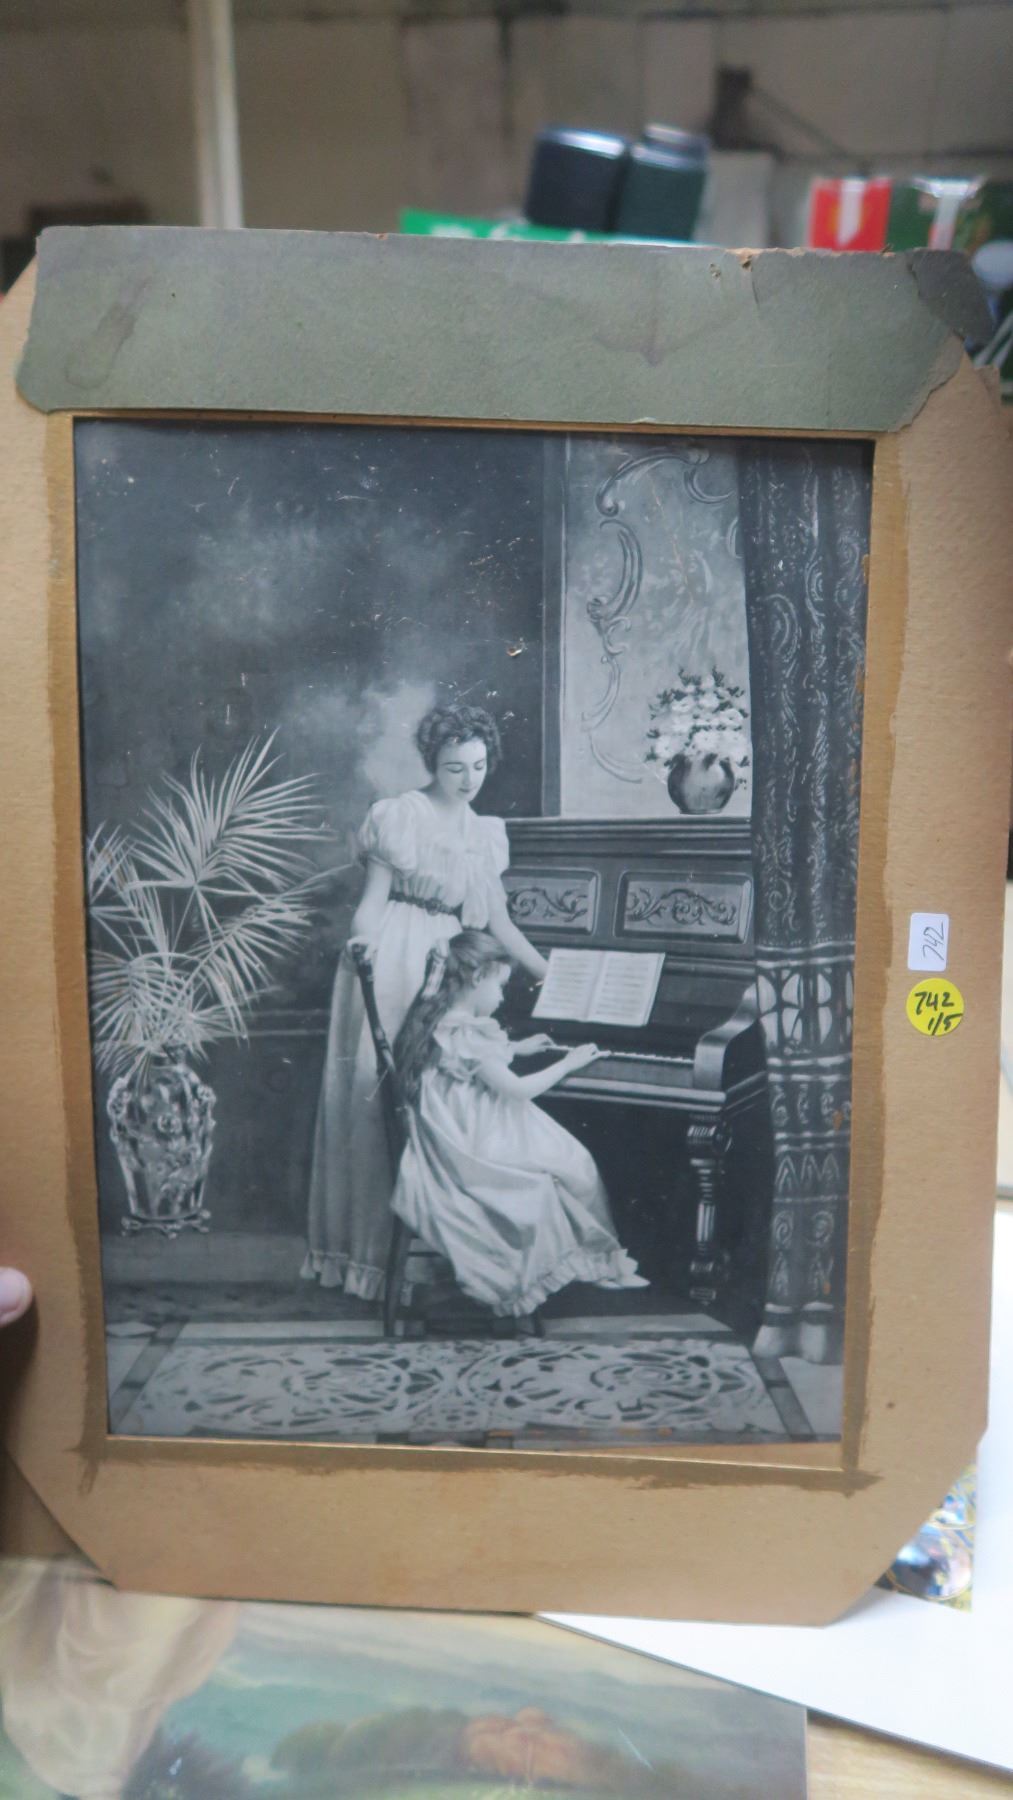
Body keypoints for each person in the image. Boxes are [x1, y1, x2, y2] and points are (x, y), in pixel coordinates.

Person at [303, 703, 548, 1301]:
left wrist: (549, 972)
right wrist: (362, 949)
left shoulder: (485, 834)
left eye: (479, 766)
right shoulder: (401, 816)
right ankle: (376, 1261)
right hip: (395, 957)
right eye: (454, 767)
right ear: (432, 763)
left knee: (444, 1100)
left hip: (452, 965)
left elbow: (499, 923)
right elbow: (373, 902)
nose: (469, 780)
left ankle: (450, 1253)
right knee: (382, 1095)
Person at [391, 931, 647, 1319]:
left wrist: (515, 1048)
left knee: (569, 1162)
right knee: (571, 1163)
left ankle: (595, 1264)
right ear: (478, 977)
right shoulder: (469, 1033)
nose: (502, 998)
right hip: (470, 1147)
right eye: (501, 985)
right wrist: (568, 1064)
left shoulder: (446, 1024)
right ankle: (593, 1264)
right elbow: (517, 1090)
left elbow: (469, 1063)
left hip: (458, 1130)